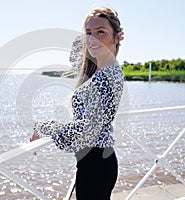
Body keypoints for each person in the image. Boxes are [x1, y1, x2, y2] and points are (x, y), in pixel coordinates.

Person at [30, 6, 124, 200]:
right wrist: (90, 38)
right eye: (88, 33)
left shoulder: (108, 75)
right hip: (94, 162)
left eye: (101, 32)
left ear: (117, 37)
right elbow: (75, 57)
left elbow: (85, 130)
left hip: (96, 164)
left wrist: (43, 127)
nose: (93, 38)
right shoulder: (101, 69)